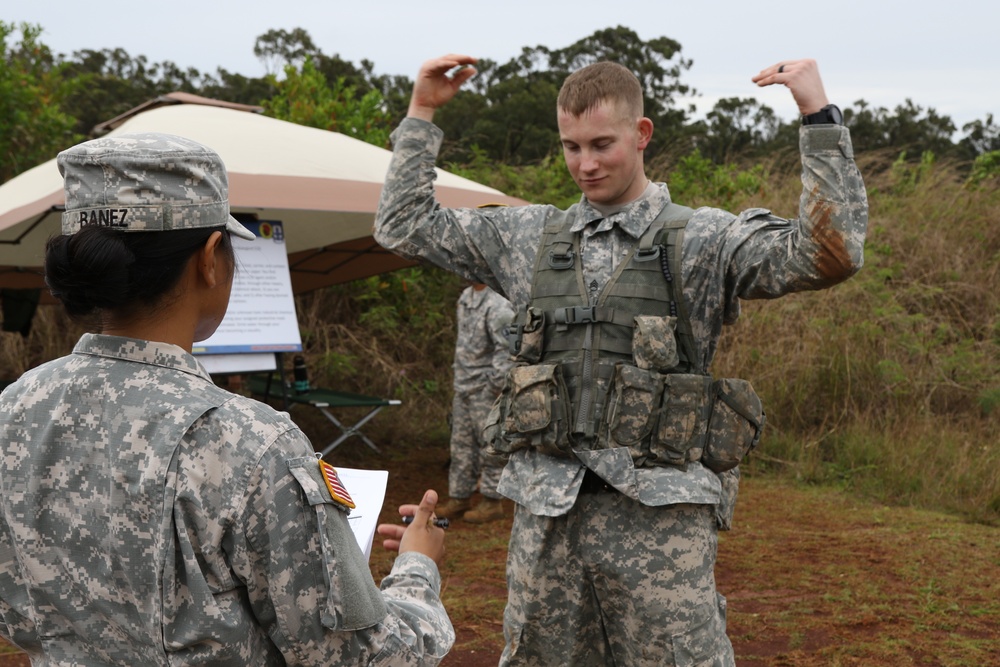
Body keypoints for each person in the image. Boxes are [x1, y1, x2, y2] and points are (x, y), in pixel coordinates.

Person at [374, 54, 868, 666]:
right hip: (547, 520)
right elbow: (402, 226)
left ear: (641, 135)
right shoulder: (526, 237)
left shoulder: (703, 240)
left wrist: (817, 115)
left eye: (602, 144)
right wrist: (421, 111)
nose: (585, 164)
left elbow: (829, 253)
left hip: (660, 524)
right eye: (571, 147)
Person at [0, 132, 454, 666]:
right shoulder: (250, 443)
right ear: (210, 258)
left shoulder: (14, 409)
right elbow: (363, 658)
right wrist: (418, 570)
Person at [437, 283, 515, 524]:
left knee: (490, 443)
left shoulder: (499, 305)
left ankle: (491, 501)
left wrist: (495, 386)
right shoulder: (466, 297)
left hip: (485, 388)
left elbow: (508, 350)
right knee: (461, 444)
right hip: (463, 386)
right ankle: (459, 497)